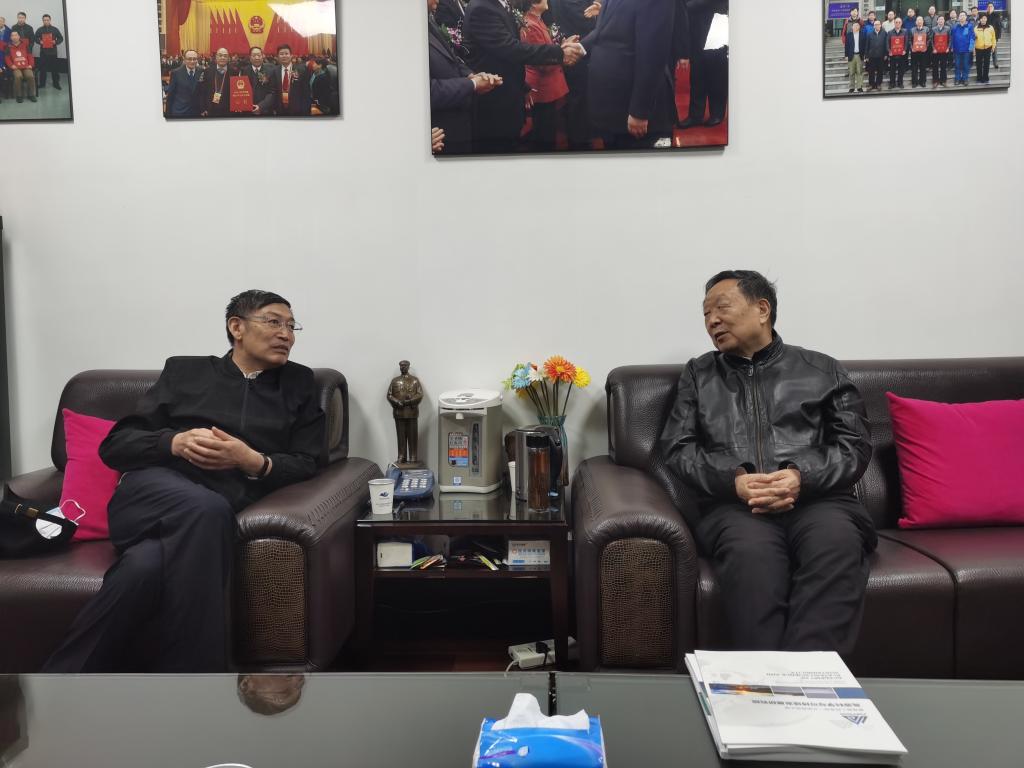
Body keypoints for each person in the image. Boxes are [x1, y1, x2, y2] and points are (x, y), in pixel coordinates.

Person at [42, 290, 324, 673]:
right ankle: (199, 684)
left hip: (214, 509)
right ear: (237, 327)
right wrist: (173, 442)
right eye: (274, 322)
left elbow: (309, 463)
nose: (286, 334)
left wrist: (253, 461)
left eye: (292, 326)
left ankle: (60, 682)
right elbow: (116, 446)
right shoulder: (185, 372)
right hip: (150, 494)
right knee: (207, 510)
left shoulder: (299, 384)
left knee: (143, 568)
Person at [659, 270, 875, 654]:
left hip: (820, 501)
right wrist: (734, 480)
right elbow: (677, 447)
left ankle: (808, 679)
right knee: (751, 556)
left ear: (762, 309)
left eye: (721, 308)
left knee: (836, 543)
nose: (712, 321)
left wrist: (800, 476)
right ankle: (765, 679)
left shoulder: (822, 369)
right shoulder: (700, 374)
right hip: (735, 507)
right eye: (706, 314)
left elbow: (854, 445)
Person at [464, 0, 581, 154]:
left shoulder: (498, 5)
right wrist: (559, 53)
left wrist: (523, 87)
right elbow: (510, 48)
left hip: (509, 92)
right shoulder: (482, 8)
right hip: (495, 99)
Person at [580, 0, 678, 148]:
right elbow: (605, 29)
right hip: (613, 106)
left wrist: (640, 111)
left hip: (632, 110)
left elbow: (652, 54)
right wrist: (580, 47)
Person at [428, 0, 502, 155]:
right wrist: (472, 84)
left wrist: (471, 75)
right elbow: (428, 90)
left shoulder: (428, 21)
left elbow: (452, 56)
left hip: (458, 125)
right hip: (440, 133)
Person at [519, 0, 569, 152]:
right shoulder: (530, 24)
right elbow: (541, 62)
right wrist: (564, 55)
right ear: (534, 4)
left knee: (548, 131)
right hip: (542, 88)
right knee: (544, 136)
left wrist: (563, 47)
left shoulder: (536, 20)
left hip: (546, 87)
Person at [677, 0, 729, 131]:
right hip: (696, 26)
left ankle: (717, 113)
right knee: (697, 75)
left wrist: (685, 6)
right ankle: (695, 115)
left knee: (717, 75)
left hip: (716, 26)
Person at [387, 360, 424, 466]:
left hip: (412, 413)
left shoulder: (415, 381)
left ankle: (413, 456)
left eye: (404, 366)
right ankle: (401, 456)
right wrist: (397, 402)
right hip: (399, 413)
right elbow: (389, 395)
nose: (402, 367)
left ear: (408, 366)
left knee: (412, 436)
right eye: (401, 366)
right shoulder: (395, 381)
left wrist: (410, 401)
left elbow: (420, 394)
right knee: (401, 436)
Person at [274, 44, 310, 116]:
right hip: (280, 109)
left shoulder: (301, 70)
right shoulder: (275, 71)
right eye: (281, 54)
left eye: (286, 53)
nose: (284, 56)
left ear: (291, 55)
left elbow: (306, 92)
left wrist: (305, 111)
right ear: (278, 56)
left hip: (297, 110)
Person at [164, 49, 201, 117]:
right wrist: (168, 115)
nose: (192, 61)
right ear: (184, 59)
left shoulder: (201, 71)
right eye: (189, 59)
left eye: (194, 59)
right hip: (180, 112)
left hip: (196, 113)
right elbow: (171, 95)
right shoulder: (176, 73)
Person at [242, 46, 279, 115]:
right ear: (250, 57)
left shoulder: (270, 70)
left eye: (259, 55)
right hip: (248, 110)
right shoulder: (244, 71)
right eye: (254, 55)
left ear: (263, 56)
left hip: (266, 110)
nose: (257, 58)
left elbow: (272, 92)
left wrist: (261, 106)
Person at [199, 47, 233, 117]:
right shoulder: (207, 71)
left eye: (225, 56)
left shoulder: (234, 72)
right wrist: (203, 108)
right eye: (220, 55)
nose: (222, 57)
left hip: (228, 110)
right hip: (210, 110)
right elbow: (202, 91)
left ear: (228, 58)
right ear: (216, 57)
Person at [33, 14, 63, 90]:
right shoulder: (40, 29)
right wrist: (40, 41)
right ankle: (42, 84)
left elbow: (61, 38)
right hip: (43, 52)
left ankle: (56, 83)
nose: (46, 21)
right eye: (44, 20)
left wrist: (55, 42)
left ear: (50, 20)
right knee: (43, 69)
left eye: (47, 20)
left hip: (53, 52)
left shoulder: (55, 29)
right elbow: (35, 38)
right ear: (42, 21)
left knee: (54, 69)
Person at [4, 31, 35, 103]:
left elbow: (30, 56)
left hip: (26, 66)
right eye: (12, 36)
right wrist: (12, 66)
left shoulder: (25, 45)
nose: (14, 37)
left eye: (16, 35)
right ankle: (19, 95)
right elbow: (7, 58)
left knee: (30, 76)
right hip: (15, 67)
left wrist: (31, 65)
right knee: (18, 76)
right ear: (10, 38)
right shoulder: (8, 47)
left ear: (19, 36)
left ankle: (31, 94)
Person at [951, 11, 975, 85]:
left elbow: (972, 37)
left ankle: (965, 79)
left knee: (965, 65)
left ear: (966, 17)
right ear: (958, 17)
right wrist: (952, 47)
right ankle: (957, 79)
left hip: (966, 49)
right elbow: (952, 38)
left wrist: (971, 47)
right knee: (957, 65)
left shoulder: (970, 26)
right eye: (960, 15)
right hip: (957, 49)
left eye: (963, 15)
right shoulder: (955, 26)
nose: (962, 17)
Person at [865, 19, 889, 91]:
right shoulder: (870, 34)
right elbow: (867, 45)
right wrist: (866, 56)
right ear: (874, 26)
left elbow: (886, 44)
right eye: (875, 25)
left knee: (880, 71)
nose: (877, 26)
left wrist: (886, 54)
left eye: (878, 24)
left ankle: (878, 84)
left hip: (881, 56)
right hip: (871, 56)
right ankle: (871, 84)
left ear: (880, 25)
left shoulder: (884, 33)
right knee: (871, 71)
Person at [887, 17, 910, 88]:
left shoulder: (905, 31)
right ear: (894, 23)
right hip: (892, 54)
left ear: (901, 23)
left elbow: (906, 42)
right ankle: (892, 83)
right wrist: (889, 51)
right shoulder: (890, 32)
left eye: (899, 22)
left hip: (901, 54)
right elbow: (887, 43)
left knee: (901, 70)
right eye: (896, 22)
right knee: (892, 70)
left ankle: (900, 83)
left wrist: (905, 50)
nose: (898, 23)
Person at [845, 20, 867, 93]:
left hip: (859, 55)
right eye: (854, 25)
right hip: (851, 55)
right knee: (851, 72)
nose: (856, 27)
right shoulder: (849, 35)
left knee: (859, 72)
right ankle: (851, 87)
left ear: (859, 27)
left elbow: (865, 46)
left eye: (857, 25)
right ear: (852, 27)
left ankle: (859, 87)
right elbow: (846, 46)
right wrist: (846, 55)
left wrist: (865, 55)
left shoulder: (863, 35)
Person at [909, 15, 931, 87]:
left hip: (923, 52)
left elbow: (929, 39)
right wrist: (912, 48)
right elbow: (909, 40)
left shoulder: (926, 29)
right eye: (918, 20)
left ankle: (922, 82)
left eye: (920, 20)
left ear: (923, 21)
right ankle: (914, 82)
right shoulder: (912, 30)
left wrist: (926, 47)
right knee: (914, 68)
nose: (919, 21)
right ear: (916, 22)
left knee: (923, 67)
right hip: (914, 52)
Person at [973, 14, 995, 83]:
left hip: (988, 48)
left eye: (985, 18)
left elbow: (993, 38)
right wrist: (973, 49)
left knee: (986, 64)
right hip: (978, 48)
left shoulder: (990, 27)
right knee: (979, 64)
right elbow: (973, 39)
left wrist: (993, 46)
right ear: (980, 19)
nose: (983, 19)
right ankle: (979, 78)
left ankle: (986, 78)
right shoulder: (976, 28)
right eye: (982, 18)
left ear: (986, 19)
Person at [931, 15, 952, 86]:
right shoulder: (933, 29)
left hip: (944, 51)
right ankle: (935, 81)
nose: (941, 21)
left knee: (943, 66)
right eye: (939, 19)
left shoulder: (948, 29)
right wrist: (933, 48)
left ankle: (943, 81)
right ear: (937, 21)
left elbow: (950, 39)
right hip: (935, 51)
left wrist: (948, 48)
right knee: (935, 66)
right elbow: (931, 40)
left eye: (942, 19)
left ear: (944, 21)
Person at [986, 2, 1002, 67]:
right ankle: (986, 63)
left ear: (993, 8)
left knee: (994, 50)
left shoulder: (996, 16)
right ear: (987, 8)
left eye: (991, 6)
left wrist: (998, 36)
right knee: (986, 51)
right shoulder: (985, 16)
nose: (990, 8)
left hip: (993, 36)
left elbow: (999, 27)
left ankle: (995, 63)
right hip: (986, 36)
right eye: (989, 6)